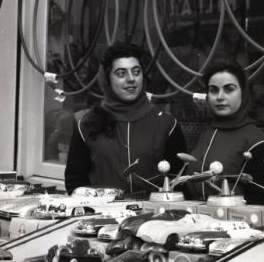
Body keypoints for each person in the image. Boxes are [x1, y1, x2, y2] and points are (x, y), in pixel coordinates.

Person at [64, 43, 186, 195]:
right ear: (107, 79)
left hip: (154, 210)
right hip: (100, 209)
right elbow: (75, 182)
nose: (131, 79)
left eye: (136, 72)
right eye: (121, 73)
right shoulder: (86, 124)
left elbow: (179, 182)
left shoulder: (166, 124)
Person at [185, 58, 264, 205]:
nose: (220, 97)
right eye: (214, 90)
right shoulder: (207, 133)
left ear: (243, 93)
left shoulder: (256, 141)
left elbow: (261, 202)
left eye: (229, 89)